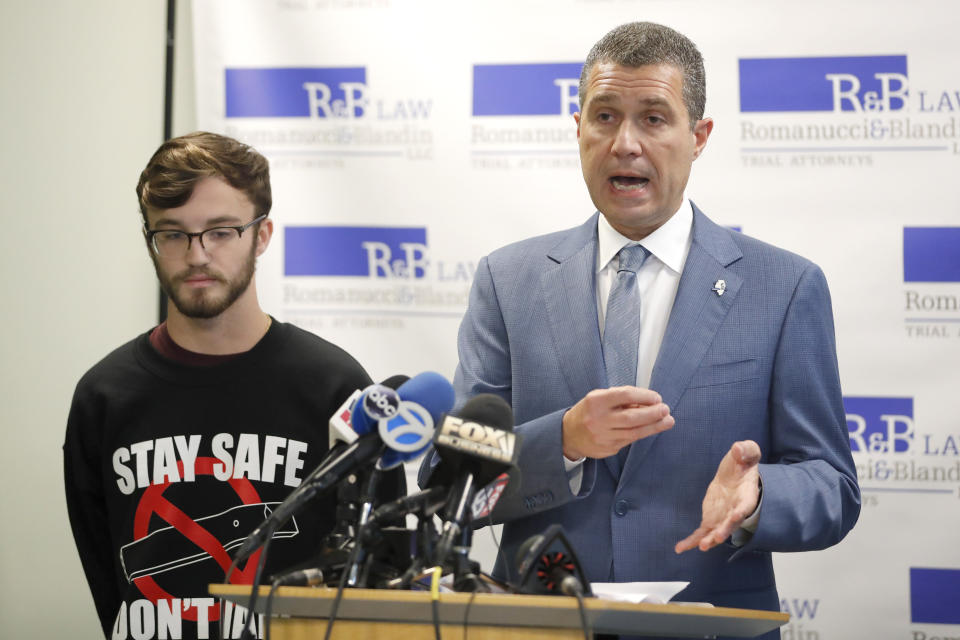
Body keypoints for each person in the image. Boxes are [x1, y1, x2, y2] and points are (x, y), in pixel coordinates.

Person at [424, 21, 860, 631]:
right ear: (577, 128)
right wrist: (565, 440)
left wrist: (760, 496)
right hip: (543, 626)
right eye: (604, 116)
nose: (625, 143)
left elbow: (833, 487)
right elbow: (451, 484)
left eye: (653, 118)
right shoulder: (508, 280)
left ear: (698, 136)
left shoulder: (784, 288)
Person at [64, 132, 400, 640]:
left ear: (261, 235)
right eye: (173, 234)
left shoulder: (334, 386)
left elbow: (380, 570)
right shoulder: (105, 396)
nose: (197, 255)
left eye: (220, 231)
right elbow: (106, 571)